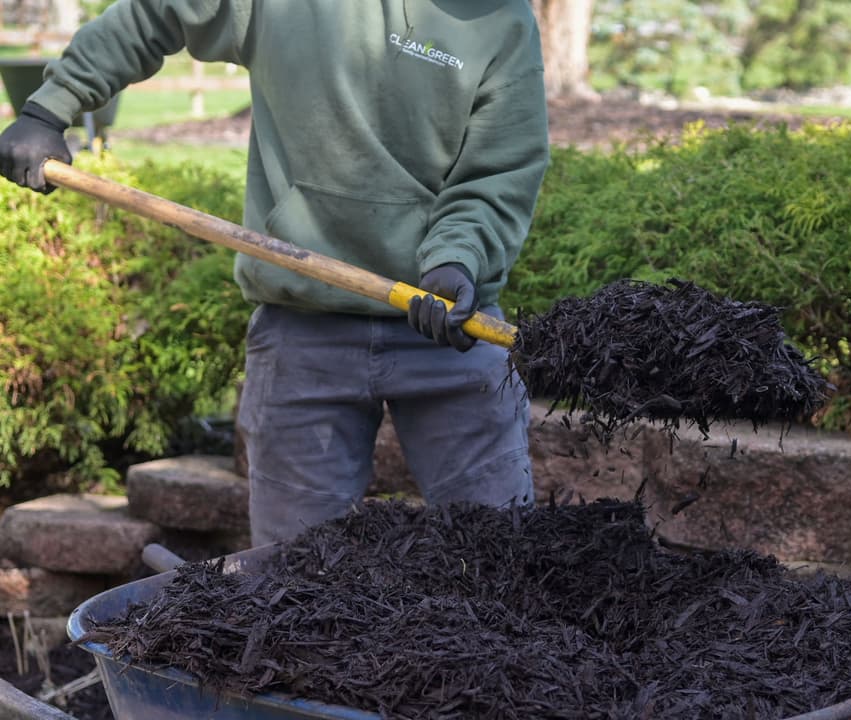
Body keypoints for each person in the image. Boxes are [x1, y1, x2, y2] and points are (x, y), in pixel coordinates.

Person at [0, 0, 550, 546]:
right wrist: (50, 108)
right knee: (291, 584)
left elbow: (497, 171)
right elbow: (157, 11)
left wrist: (457, 259)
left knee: (501, 562)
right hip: (302, 332)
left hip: (451, 333)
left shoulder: (502, 20)